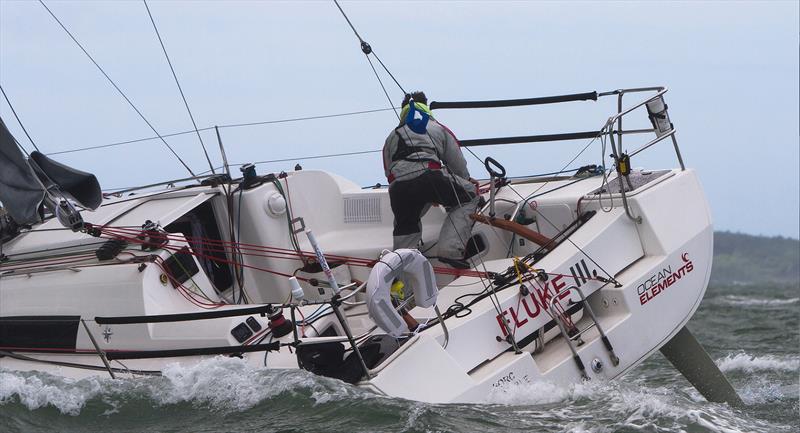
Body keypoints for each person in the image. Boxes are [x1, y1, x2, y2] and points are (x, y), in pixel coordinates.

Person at [382, 91, 480, 268]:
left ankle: (401, 284)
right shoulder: (437, 127)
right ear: (426, 107)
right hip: (430, 178)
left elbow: (390, 173)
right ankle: (450, 250)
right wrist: (461, 181)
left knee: (406, 224)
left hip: (398, 189)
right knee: (468, 195)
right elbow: (457, 163)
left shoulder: (391, 137)